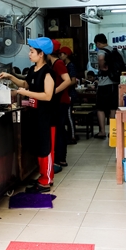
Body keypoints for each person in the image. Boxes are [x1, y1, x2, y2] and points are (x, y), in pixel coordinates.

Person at [0, 37, 55, 193]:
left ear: (41, 54)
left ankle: (47, 180)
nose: (29, 54)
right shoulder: (33, 70)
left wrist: (26, 93)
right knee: (39, 146)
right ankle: (43, 176)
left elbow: (48, 95)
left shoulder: (48, 72)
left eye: (32, 52)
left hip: (45, 116)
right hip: (35, 114)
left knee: (46, 148)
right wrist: (10, 77)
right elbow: (25, 84)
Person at [94, 34, 123, 139]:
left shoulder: (102, 51)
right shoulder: (115, 51)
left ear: (98, 43)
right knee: (113, 108)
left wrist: (102, 67)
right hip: (115, 83)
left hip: (104, 85)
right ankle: (112, 132)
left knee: (100, 108)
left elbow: (101, 59)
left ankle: (102, 132)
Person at [49, 40, 72, 170]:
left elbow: (67, 80)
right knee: (60, 130)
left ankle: (59, 159)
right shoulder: (54, 64)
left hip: (61, 101)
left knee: (59, 131)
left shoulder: (58, 63)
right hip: (59, 101)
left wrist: (53, 92)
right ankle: (61, 159)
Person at [59, 46, 79, 144]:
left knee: (69, 116)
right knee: (67, 116)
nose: (60, 56)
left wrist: (63, 85)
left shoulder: (70, 65)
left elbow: (73, 81)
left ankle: (72, 136)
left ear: (66, 55)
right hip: (66, 93)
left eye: (61, 54)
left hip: (70, 93)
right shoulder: (65, 65)